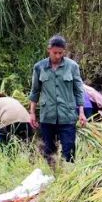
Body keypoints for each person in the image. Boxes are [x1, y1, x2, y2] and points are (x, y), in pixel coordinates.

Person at [29, 35, 86, 165]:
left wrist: (81, 112)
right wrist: (32, 113)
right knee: (48, 152)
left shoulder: (72, 66)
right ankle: (52, 177)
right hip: (47, 116)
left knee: (69, 151)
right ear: (49, 50)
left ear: (64, 51)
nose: (58, 56)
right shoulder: (39, 67)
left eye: (61, 53)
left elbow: (79, 90)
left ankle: (68, 177)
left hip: (67, 115)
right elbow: (35, 92)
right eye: (55, 53)